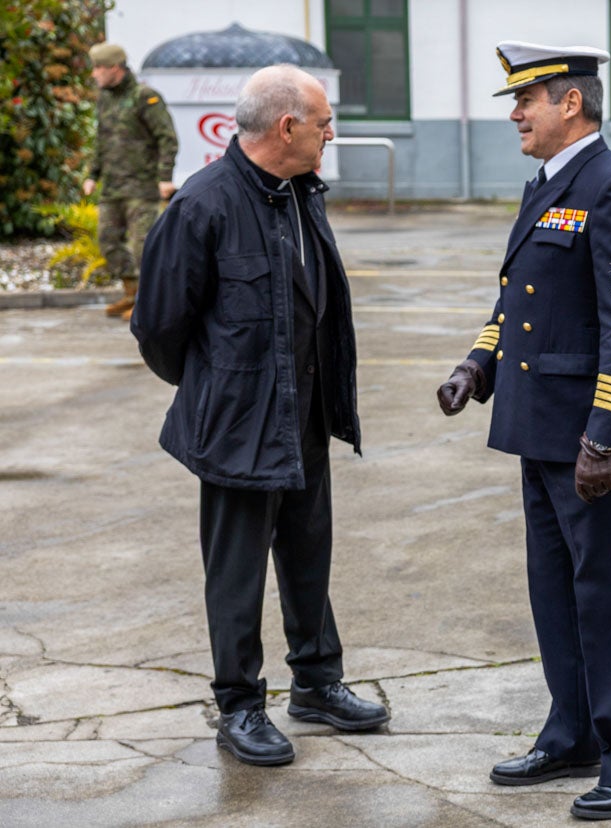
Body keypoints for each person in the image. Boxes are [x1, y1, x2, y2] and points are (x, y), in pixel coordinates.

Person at [131, 65, 388, 767]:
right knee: (237, 570)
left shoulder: (303, 195)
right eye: (324, 122)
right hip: (238, 422)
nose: (331, 134)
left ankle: (317, 684)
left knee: (309, 553)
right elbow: (158, 328)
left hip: (303, 412)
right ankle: (239, 705)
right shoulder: (202, 205)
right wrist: (220, 387)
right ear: (287, 127)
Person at [435, 41, 611, 821]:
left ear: (570, 103)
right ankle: (573, 733)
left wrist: (603, 436)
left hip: (590, 443)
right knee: (555, 596)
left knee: (608, 601)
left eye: (525, 101)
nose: (514, 115)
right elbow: (518, 301)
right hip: (535, 428)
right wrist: (477, 364)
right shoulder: (547, 183)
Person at [83, 42, 177, 322]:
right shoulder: (105, 99)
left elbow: (167, 138)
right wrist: (92, 174)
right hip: (113, 187)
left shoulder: (144, 97)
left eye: (99, 67)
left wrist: (164, 178)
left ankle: (147, 304)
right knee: (108, 241)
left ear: (115, 68)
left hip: (143, 187)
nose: (95, 74)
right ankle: (132, 292)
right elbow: (101, 141)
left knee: (142, 248)